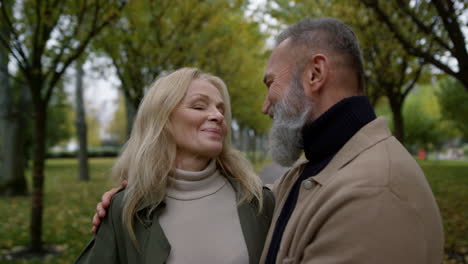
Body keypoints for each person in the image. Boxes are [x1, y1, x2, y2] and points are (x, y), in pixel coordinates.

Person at [94, 18, 444, 264]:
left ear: (315, 74)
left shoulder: (373, 190)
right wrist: (134, 197)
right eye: (200, 106)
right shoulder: (309, 173)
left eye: (269, 83)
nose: (263, 107)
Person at [75, 67, 275, 264]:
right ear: (162, 118)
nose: (218, 116)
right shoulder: (126, 209)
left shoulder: (257, 201)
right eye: (199, 106)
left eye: (220, 109)